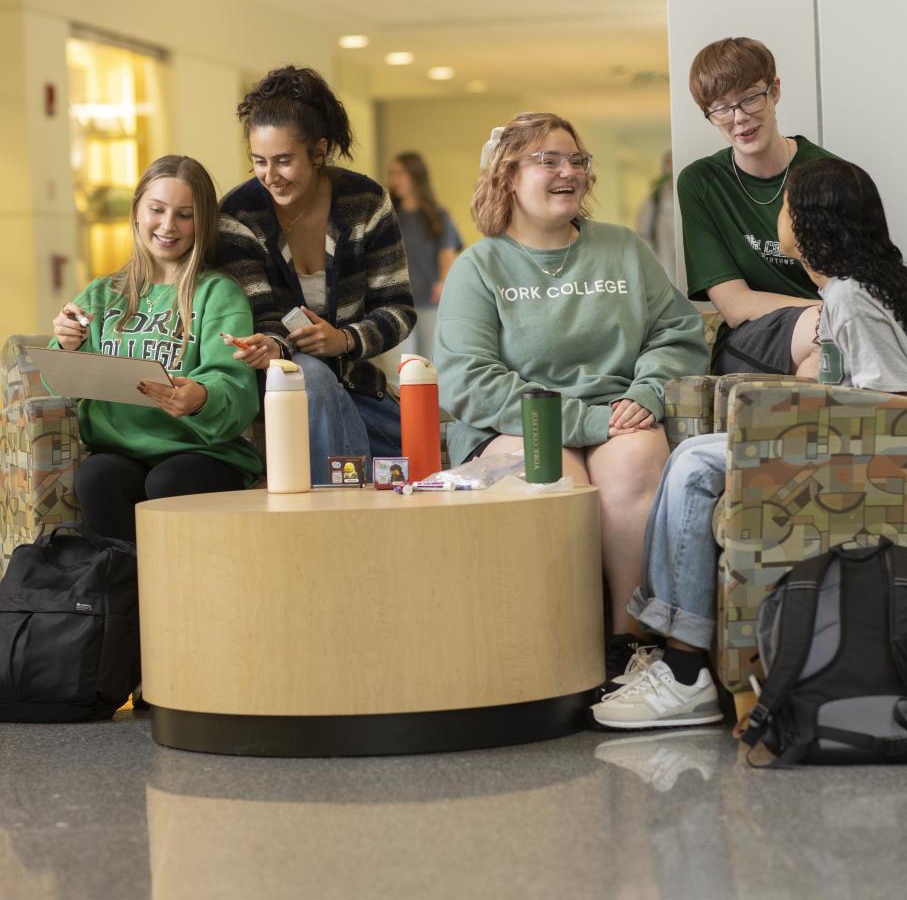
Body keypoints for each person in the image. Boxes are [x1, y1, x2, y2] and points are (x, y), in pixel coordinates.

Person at [593, 158, 907, 730]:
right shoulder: (859, 290)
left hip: (876, 464)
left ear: (812, 223)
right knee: (693, 455)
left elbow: (904, 409)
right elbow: (851, 386)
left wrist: (796, 423)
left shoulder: (850, 297)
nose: (778, 217)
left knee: (691, 466)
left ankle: (685, 670)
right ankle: (676, 653)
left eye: (786, 206)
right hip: (852, 450)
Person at [432, 112, 710, 678]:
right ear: (508, 176)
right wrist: (585, 422)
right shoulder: (478, 268)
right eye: (549, 160)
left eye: (577, 161)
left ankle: (630, 643)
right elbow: (468, 379)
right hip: (517, 424)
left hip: (620, 412)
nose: (569, 172)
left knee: (638, 463)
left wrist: (649, 391)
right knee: (553, 474)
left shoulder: (623, 249)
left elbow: (677, 333)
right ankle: (558, 646)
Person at [217, 66, 416, 483]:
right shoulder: (239, 214)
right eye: (259, 162)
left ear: (319, 151)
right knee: (309, 373)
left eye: (284, 161)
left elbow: (397, 308)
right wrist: (276, 345)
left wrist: (343, 339)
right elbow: (259, 316)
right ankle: (337, 517)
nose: (270, 176)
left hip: (355, 378)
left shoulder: (365, 202)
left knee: (416, 454)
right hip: (272, 383)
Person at [51, 155, 263, 543]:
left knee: (170, 480)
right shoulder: (102, 294)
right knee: (96, 477)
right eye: (157, 209)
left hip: (203, 454)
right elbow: (60, 383)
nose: (168, 226)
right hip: (119, 452)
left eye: (184, 214)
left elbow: (234, 387)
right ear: (136, 212)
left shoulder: (218, 294)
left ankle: (180, 594)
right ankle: (123, 596)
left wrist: (201, 398)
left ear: (202, 223)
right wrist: (65, 343)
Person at [679, 36, 839, 377]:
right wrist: (840, 313)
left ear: (775, 91)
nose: (739, 118)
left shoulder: (833, 176)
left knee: (830, 346)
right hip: (748, 337)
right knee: (828, 332)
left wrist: (849, 315)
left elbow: (865, 285)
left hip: (837, 331)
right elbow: (735, 306)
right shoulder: (701, 183)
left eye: (750, 98)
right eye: (722, 107)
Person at [387, 151, 463, 361]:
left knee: (430, 362)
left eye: (400, 173)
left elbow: (446, 252)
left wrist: (442, 282)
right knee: (400, 365)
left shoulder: (438, 216)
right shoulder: (389, 216)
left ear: (415, 176)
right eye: (392, 174)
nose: (394, 180)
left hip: (430, 301)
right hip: (397, 302)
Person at [634, 150, 676, 282]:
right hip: (664, 260)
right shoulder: (656, 198)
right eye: (668, 165)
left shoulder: (693, 192)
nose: (671, 169)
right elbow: (643, 232)